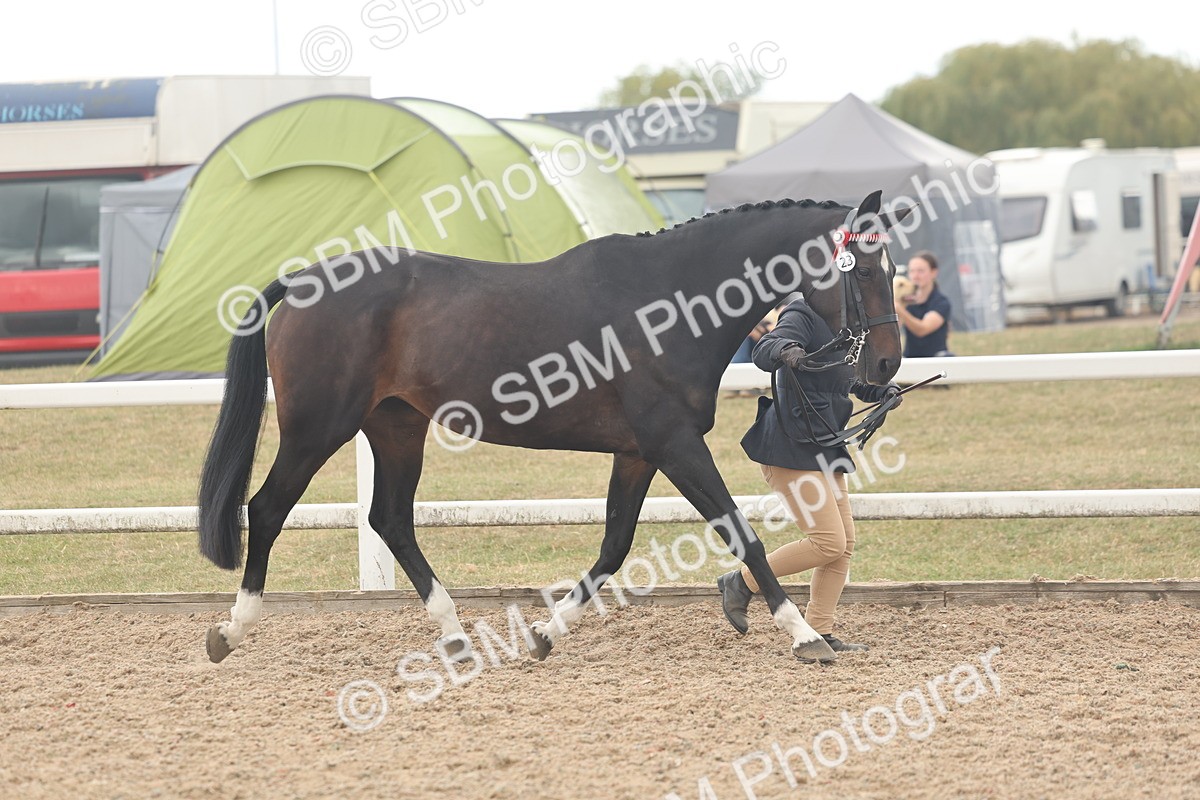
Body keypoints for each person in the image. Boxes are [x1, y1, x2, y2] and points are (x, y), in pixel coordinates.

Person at [717, 296, 900, 663]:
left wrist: (881, 392)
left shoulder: (848, 326)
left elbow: (849, 380)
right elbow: (765, 348)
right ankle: (742, 582)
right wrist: (789, 351)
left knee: (843, 543)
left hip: (823, 446)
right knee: (828, 541)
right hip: (791, 445)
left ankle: (821, 629)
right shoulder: (803, 313)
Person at [895, 251, 953, 358]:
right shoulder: (905, 302)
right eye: (911, 271)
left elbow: (922, 330)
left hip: (937, 360)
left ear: (934, 272)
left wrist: (899, 309)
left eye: (920, 271)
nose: (915, 276)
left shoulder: (941, 302)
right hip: (910, 359)